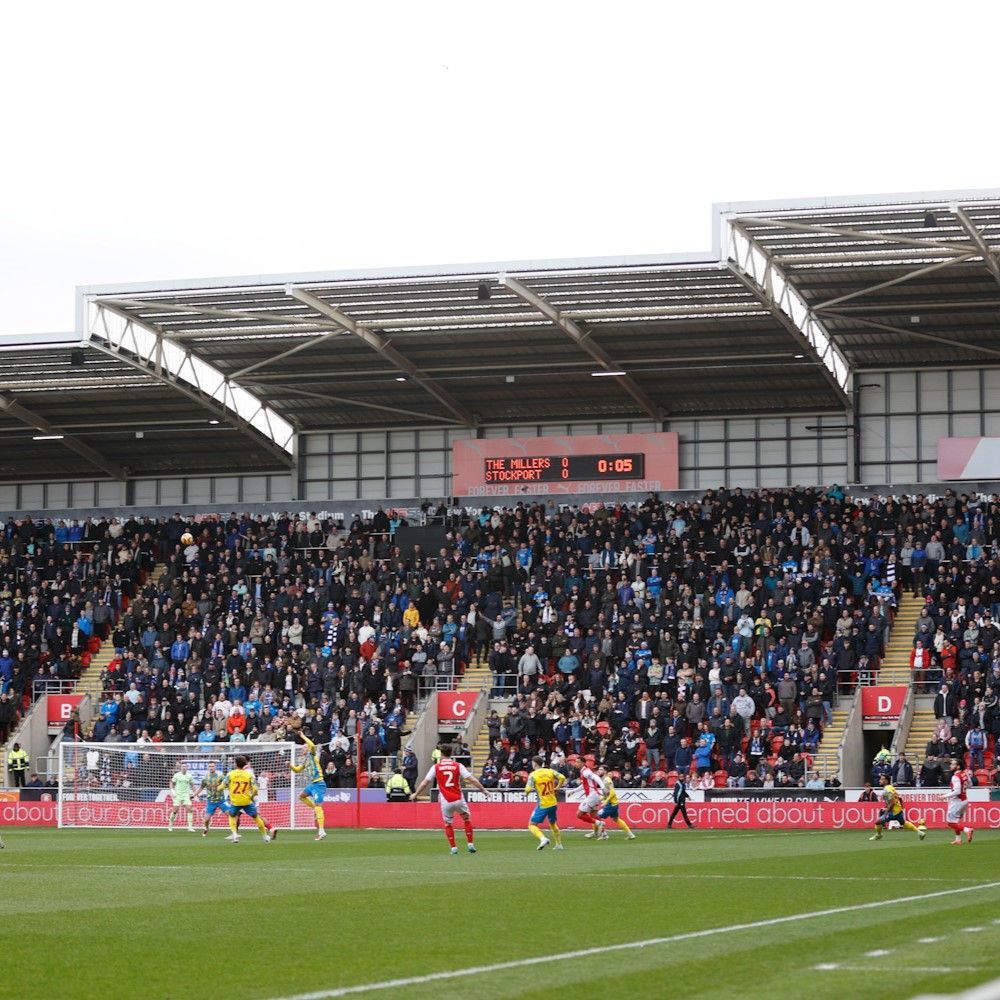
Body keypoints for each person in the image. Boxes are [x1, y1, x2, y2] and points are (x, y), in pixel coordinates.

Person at [410, 743, 487, 855]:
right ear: (451, 753)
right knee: (466, 819)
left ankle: (453, 848)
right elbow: (472, 780)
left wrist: (416, 794)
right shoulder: (458, 765)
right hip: (458, 798)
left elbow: (425, 783)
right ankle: (470, 844)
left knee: (448, 824)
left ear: (441, 754)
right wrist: (483, 790)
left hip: (446, 800)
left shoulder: (436, 767)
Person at [223, 754, 272, 843]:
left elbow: (249, 785)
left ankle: (235, 834)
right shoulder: (248, 771)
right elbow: (254, 786)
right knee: (246, 816)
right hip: (248, 797)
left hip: (244, 797)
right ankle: (265, 834)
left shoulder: (245, 772)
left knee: (238, 815)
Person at [289, 732, 327, 841]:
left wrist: (302, 736)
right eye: (303, 747)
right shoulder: (305, 760)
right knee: (301, 796)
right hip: (312, 784)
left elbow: (311, 745)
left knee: (319, 805)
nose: (303, 749)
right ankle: (314, 809)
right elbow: (297, 770)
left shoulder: (313, 754)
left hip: (319, 783)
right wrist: (290, 766)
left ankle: (321, 831)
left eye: (304, 747)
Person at [525, 755, 566, 851]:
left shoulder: (533, 775)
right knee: (552, 823)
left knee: (531, 825)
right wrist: (558, 787)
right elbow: (562, 777)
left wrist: (526, 793)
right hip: (553, 802)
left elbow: (528, 788)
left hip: (543, 804)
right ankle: (559, 844)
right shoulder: (550, 771)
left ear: (534, 763)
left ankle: (543, 839)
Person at [595, 765, 636, 840]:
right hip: (614, 804)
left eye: (601, 770)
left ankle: (604, 835)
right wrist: (602, 799)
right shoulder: (602, 780)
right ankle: (630, 834)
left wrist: (605, 802)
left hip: (611, 804)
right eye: (599, 769)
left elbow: (613, 792)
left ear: (605, 771)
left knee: (596, 817)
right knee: (616, 819)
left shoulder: (607, 780)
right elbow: (607, 794)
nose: (599, 771)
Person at [197, 760, 232, 837]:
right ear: (208, 767)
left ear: (215, 767)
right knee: (206, 820)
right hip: (211, 802)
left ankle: (234, 832)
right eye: (210, 766)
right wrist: (194, 795)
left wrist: (231, 793)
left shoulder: (220, 776)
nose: (211, 768)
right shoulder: (205, 777)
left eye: (212, 766)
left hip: (221, 800)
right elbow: (201, 787)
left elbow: (227, 784)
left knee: (230, 814)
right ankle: (206, 828)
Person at [944, 759, 974, 846]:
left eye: (953, 764)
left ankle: (967, 830)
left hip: (956, 801)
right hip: (964, 800)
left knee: (950, 823)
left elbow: (957, 791)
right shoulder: (965, 773)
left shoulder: (955, 777)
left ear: (958, 766)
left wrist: (945, 796)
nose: (950, 766)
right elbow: (970, 784)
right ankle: (958, 839)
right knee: (956, 821)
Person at [577, 759, 606, 840]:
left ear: (583, 763)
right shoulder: (583, 771)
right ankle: (603, 834)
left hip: (592, 795)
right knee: (593, 815)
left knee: (579, 814)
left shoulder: (586, 771)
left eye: (578, 762)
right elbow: (584, 785)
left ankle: (599, 823)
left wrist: (603, 787)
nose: (576, 763)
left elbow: (596, 777)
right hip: (594, 795)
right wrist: (573, 791)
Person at [168, 762, 196, 832]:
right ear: (180, 767)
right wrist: (172, 790)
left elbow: (192, 785)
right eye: (182, 766)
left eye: (185, 766)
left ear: (187, 768)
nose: (184, 767)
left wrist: (195, 794)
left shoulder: (189, 776)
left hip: (186, 795)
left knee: (190, 809)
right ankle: (170, 824)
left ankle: (190, 827)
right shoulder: (177, 775)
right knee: (175, 811)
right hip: (178, 795)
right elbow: (171, 782)